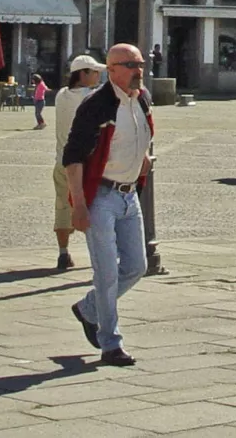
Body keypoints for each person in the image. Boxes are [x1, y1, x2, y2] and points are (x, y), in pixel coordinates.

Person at [62, 43, 153, 367]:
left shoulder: (141, 98)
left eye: (141, 63)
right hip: (100, 196)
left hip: (129, 196)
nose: (138, 70)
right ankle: (110, 344)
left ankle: (88, 309)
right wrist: (79, 205)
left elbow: (139, 135)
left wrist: (142, 159)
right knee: (107, 273)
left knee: (136, 266)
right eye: (130, 64)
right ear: (111, 70)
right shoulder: (96, 106)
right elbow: (72, 157)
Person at [52, 54, 104, 271]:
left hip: (61, 161)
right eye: (94, 72)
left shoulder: (61, 95)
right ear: (82, 74)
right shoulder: (91, 97)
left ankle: (63, 253)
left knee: (62, 207)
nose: (99, 76)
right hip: (85, 163)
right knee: (96, 207)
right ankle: (101, 255)